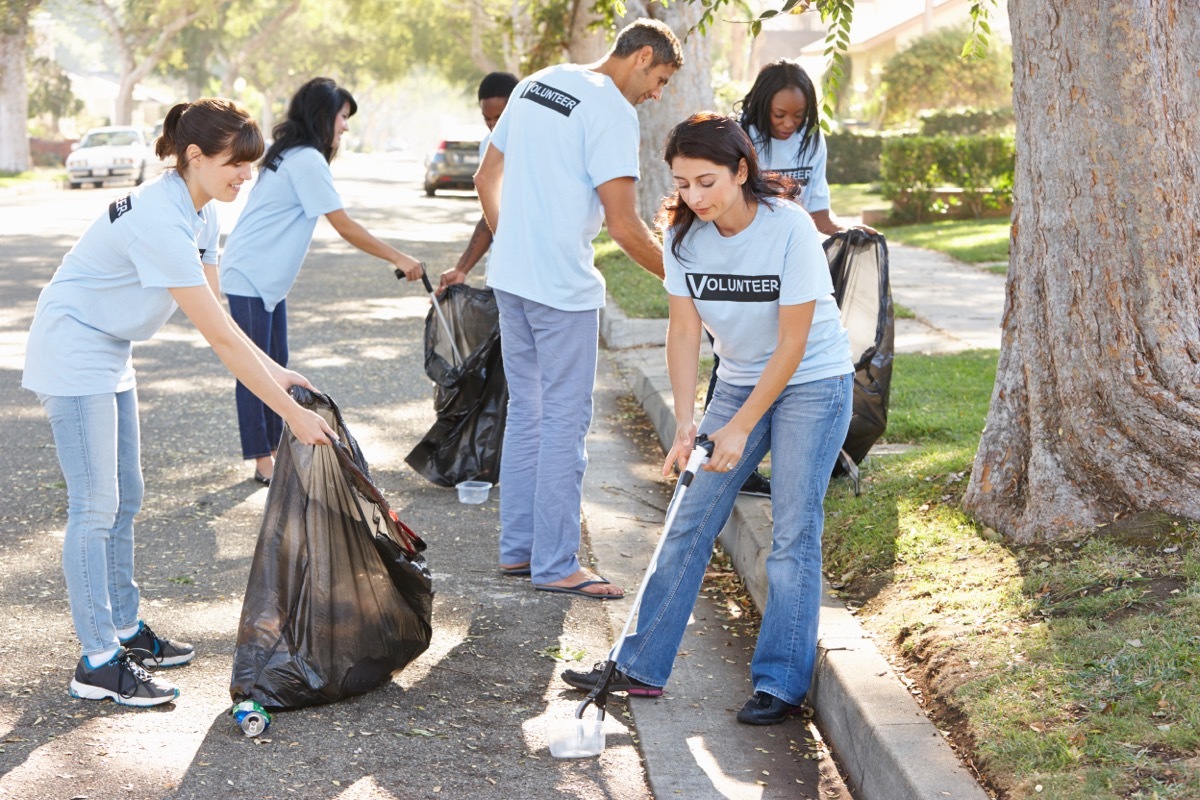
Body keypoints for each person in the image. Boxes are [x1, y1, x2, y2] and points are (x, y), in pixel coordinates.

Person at [22, 98, 338, 707]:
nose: (245, 176)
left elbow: (221, 316)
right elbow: (217, 338)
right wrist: (290, 417)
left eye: (249, 164)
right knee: (95, 506)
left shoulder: (201, 212)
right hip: (73, 348)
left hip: (110, 349)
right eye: (234, 164)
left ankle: (123, 628)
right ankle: (97, 661)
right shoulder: (160, 220)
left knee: (127, 495)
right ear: (194, 157)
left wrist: (277, 372)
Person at [561, 112, 853, 724]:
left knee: (794, 532)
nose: (693, 196)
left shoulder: (790, 229)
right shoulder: (682, 236)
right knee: (688, 520)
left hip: (813, 383)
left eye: (707, 181)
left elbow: (794, 343)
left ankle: (780, 681)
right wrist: (690, 420)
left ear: (741, 170)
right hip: (740, 379)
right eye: (683, 183)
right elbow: (685, 328)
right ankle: (639, 665)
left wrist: (743, 425)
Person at [473, 18, 683, 598]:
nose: (657, 93)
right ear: (641, 57)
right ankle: (558, 563)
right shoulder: (612, 111)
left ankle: (520, 552)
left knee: (529, 414)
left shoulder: (539, 81)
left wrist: (512, 238)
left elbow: (485, 175)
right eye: (660, 78)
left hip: (511, 279)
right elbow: (624, 225)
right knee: (564, 424)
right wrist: (688, 280)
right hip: (561, 291)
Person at [220, 77, 423, 485]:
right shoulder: (306, 159)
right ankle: (263, 461)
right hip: (250, 275)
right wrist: (399, 257)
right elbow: (343, 225)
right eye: (342, 117)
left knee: (276, 369)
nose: (345, 127)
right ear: (323, 116)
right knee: (254, 370)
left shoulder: (293, 153)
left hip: (264, 279)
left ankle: (275, 452)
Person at [438, 71, 520, 293]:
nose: (493, 125)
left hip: (536, 275)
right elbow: (489, 216)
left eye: (500, 117)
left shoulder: (538, 144)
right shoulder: (488, 145)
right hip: (500, 274)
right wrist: (461, 269)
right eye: (487, 118)